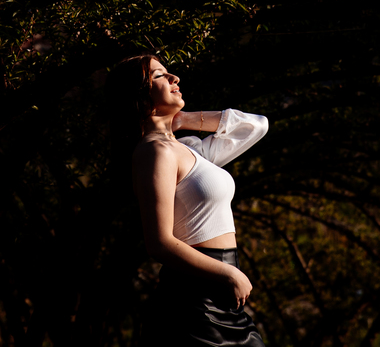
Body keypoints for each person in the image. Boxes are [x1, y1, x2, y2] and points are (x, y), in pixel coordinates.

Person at [108, 53, 269, 346]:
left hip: (220, 293)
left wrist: (183, 119)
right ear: (139, 94)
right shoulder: (154, 152)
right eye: (159, 75)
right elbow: (159, 243)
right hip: (194, 299)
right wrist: (228, 273)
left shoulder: (190, 149)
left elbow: (256, 126)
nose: (174, 78)